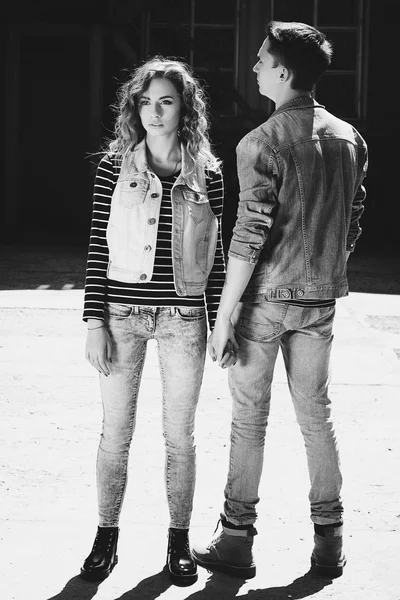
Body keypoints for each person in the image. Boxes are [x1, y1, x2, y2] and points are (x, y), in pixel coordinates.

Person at [192, 21, 368, 580]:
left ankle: (237, 540)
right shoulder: (349, 138)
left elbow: (248, 236)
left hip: (266, 300)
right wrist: (328, 269)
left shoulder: (259, 143)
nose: (254, 68)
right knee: (317, 416)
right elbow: (353, 218)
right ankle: (329, 541)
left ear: (285, 72)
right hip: (320, 299)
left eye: (262, 61)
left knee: (249, 420)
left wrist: (223, 317)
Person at [79, 56, 232, 586]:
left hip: (184, 319)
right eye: (145, 101)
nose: (153, 111)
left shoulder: (209, 174)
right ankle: (106, 537)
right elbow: (97, 248)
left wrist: (220, 322)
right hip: (120, 315)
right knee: (115, 433)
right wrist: (93, 320)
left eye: (165, 101)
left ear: (185, 108)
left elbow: (217, 256)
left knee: (179, 437)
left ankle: (178, 541)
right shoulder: (112, 168)